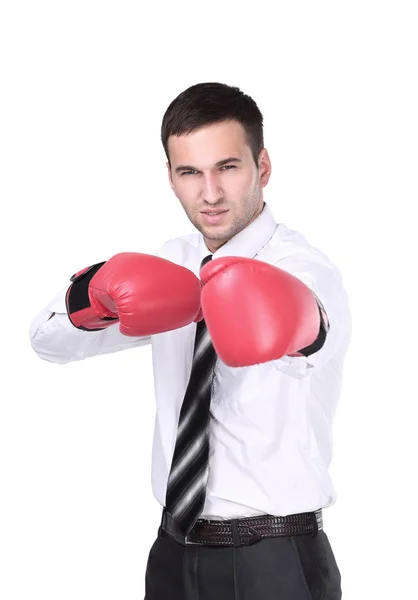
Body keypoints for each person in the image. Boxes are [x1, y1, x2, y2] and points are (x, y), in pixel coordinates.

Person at [29, 82, 352, 600]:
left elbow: (316, 328)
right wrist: (96, 290)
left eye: (227, 167)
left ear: (262, 167)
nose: (210, 193)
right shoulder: (172, 262)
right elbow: (48, 344)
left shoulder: (306, 268)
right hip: (172, 551)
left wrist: (277, 312)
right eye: (190, 172)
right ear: (171, 179)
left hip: (273, 556)